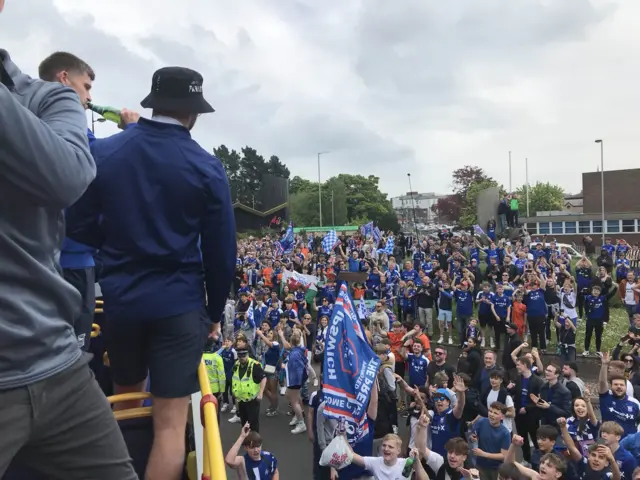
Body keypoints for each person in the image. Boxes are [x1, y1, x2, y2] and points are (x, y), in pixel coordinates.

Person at [66, 66, 236, 479]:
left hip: (122, 302)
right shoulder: (206, 167)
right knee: (170, 428)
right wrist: (213, 313)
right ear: (193, 113)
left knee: (125, 401)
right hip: (179, 307)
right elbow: (220, 253)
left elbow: (80, 227)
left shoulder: (106, 153)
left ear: (153, 103)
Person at [0, 3, 137, 476]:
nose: (86, 97)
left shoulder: (45, 101)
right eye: (84, 86)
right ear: (65, 78)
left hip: (51, 357)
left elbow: (69, 171)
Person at [232, 340, 267, 433]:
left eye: (244, 356)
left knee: (253, 425)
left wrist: (260, 394)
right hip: (241, 400)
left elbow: (263, 378)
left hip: (252, 401)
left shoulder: (254, 365)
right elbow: (235, 380)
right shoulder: (236, 365)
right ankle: (247, 441)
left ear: (247, 354)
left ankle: (256, 444)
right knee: (244, 423)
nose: (242, 358)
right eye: (240, 356)